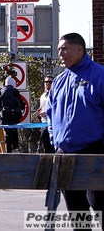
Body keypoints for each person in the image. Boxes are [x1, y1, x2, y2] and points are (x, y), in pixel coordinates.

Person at [47, 32, 104, 229]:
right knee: (76, 212)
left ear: (79, 49)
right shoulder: (59, 81)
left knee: (99, 204)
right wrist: (55, 140)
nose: (60, 53)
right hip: (65, 154)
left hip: (94, 151)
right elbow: (50, 114)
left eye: (64, 49)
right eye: (59, 50)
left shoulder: (99, 75)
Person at [0, 76, 25, 153]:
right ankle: (15, 149)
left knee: (7, 134)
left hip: (4, 119)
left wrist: (0, 110)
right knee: (14, 132)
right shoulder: (15, 92)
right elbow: (22, 106)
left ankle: (8, 151)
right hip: (15, 118)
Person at [36, 75, 55, 153]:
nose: (48, 84)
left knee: (53, 147)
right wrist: (39, 111)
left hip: (53, 125)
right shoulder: (43, 96)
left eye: (50, 82)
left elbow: (58, 109)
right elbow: (42, 107)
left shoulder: (56, 94)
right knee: (46, 147)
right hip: (44, 124)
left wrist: (47, 113)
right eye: (46, 82)